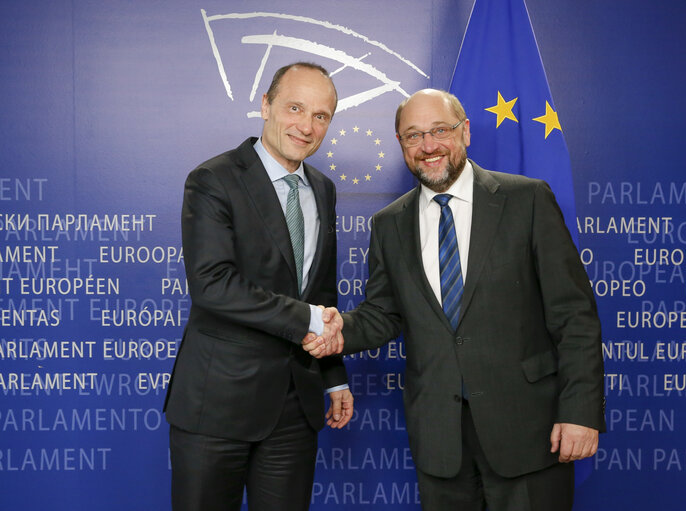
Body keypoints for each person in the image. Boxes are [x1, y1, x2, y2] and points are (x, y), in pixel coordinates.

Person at [304, 89, 605, 511]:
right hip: (439, 441)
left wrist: (580, 412)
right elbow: (383, 315)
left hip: (529, 432)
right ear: (401, 144)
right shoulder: (389, 225)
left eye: (439, 130)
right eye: (413, 136)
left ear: (464, 133)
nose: (428, 146)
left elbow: (575, 317)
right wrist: (338, 331)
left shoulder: (527, 199)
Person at [164, 62, 353, 511]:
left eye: (321, 116)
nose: (306, 126)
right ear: (265, 106)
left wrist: (333, 378)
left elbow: (320, 292)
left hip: (294, 408)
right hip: (217, 406)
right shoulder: (214, 179)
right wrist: (309, 319)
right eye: (294, 108)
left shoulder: (323, 189)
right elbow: (212, 285)